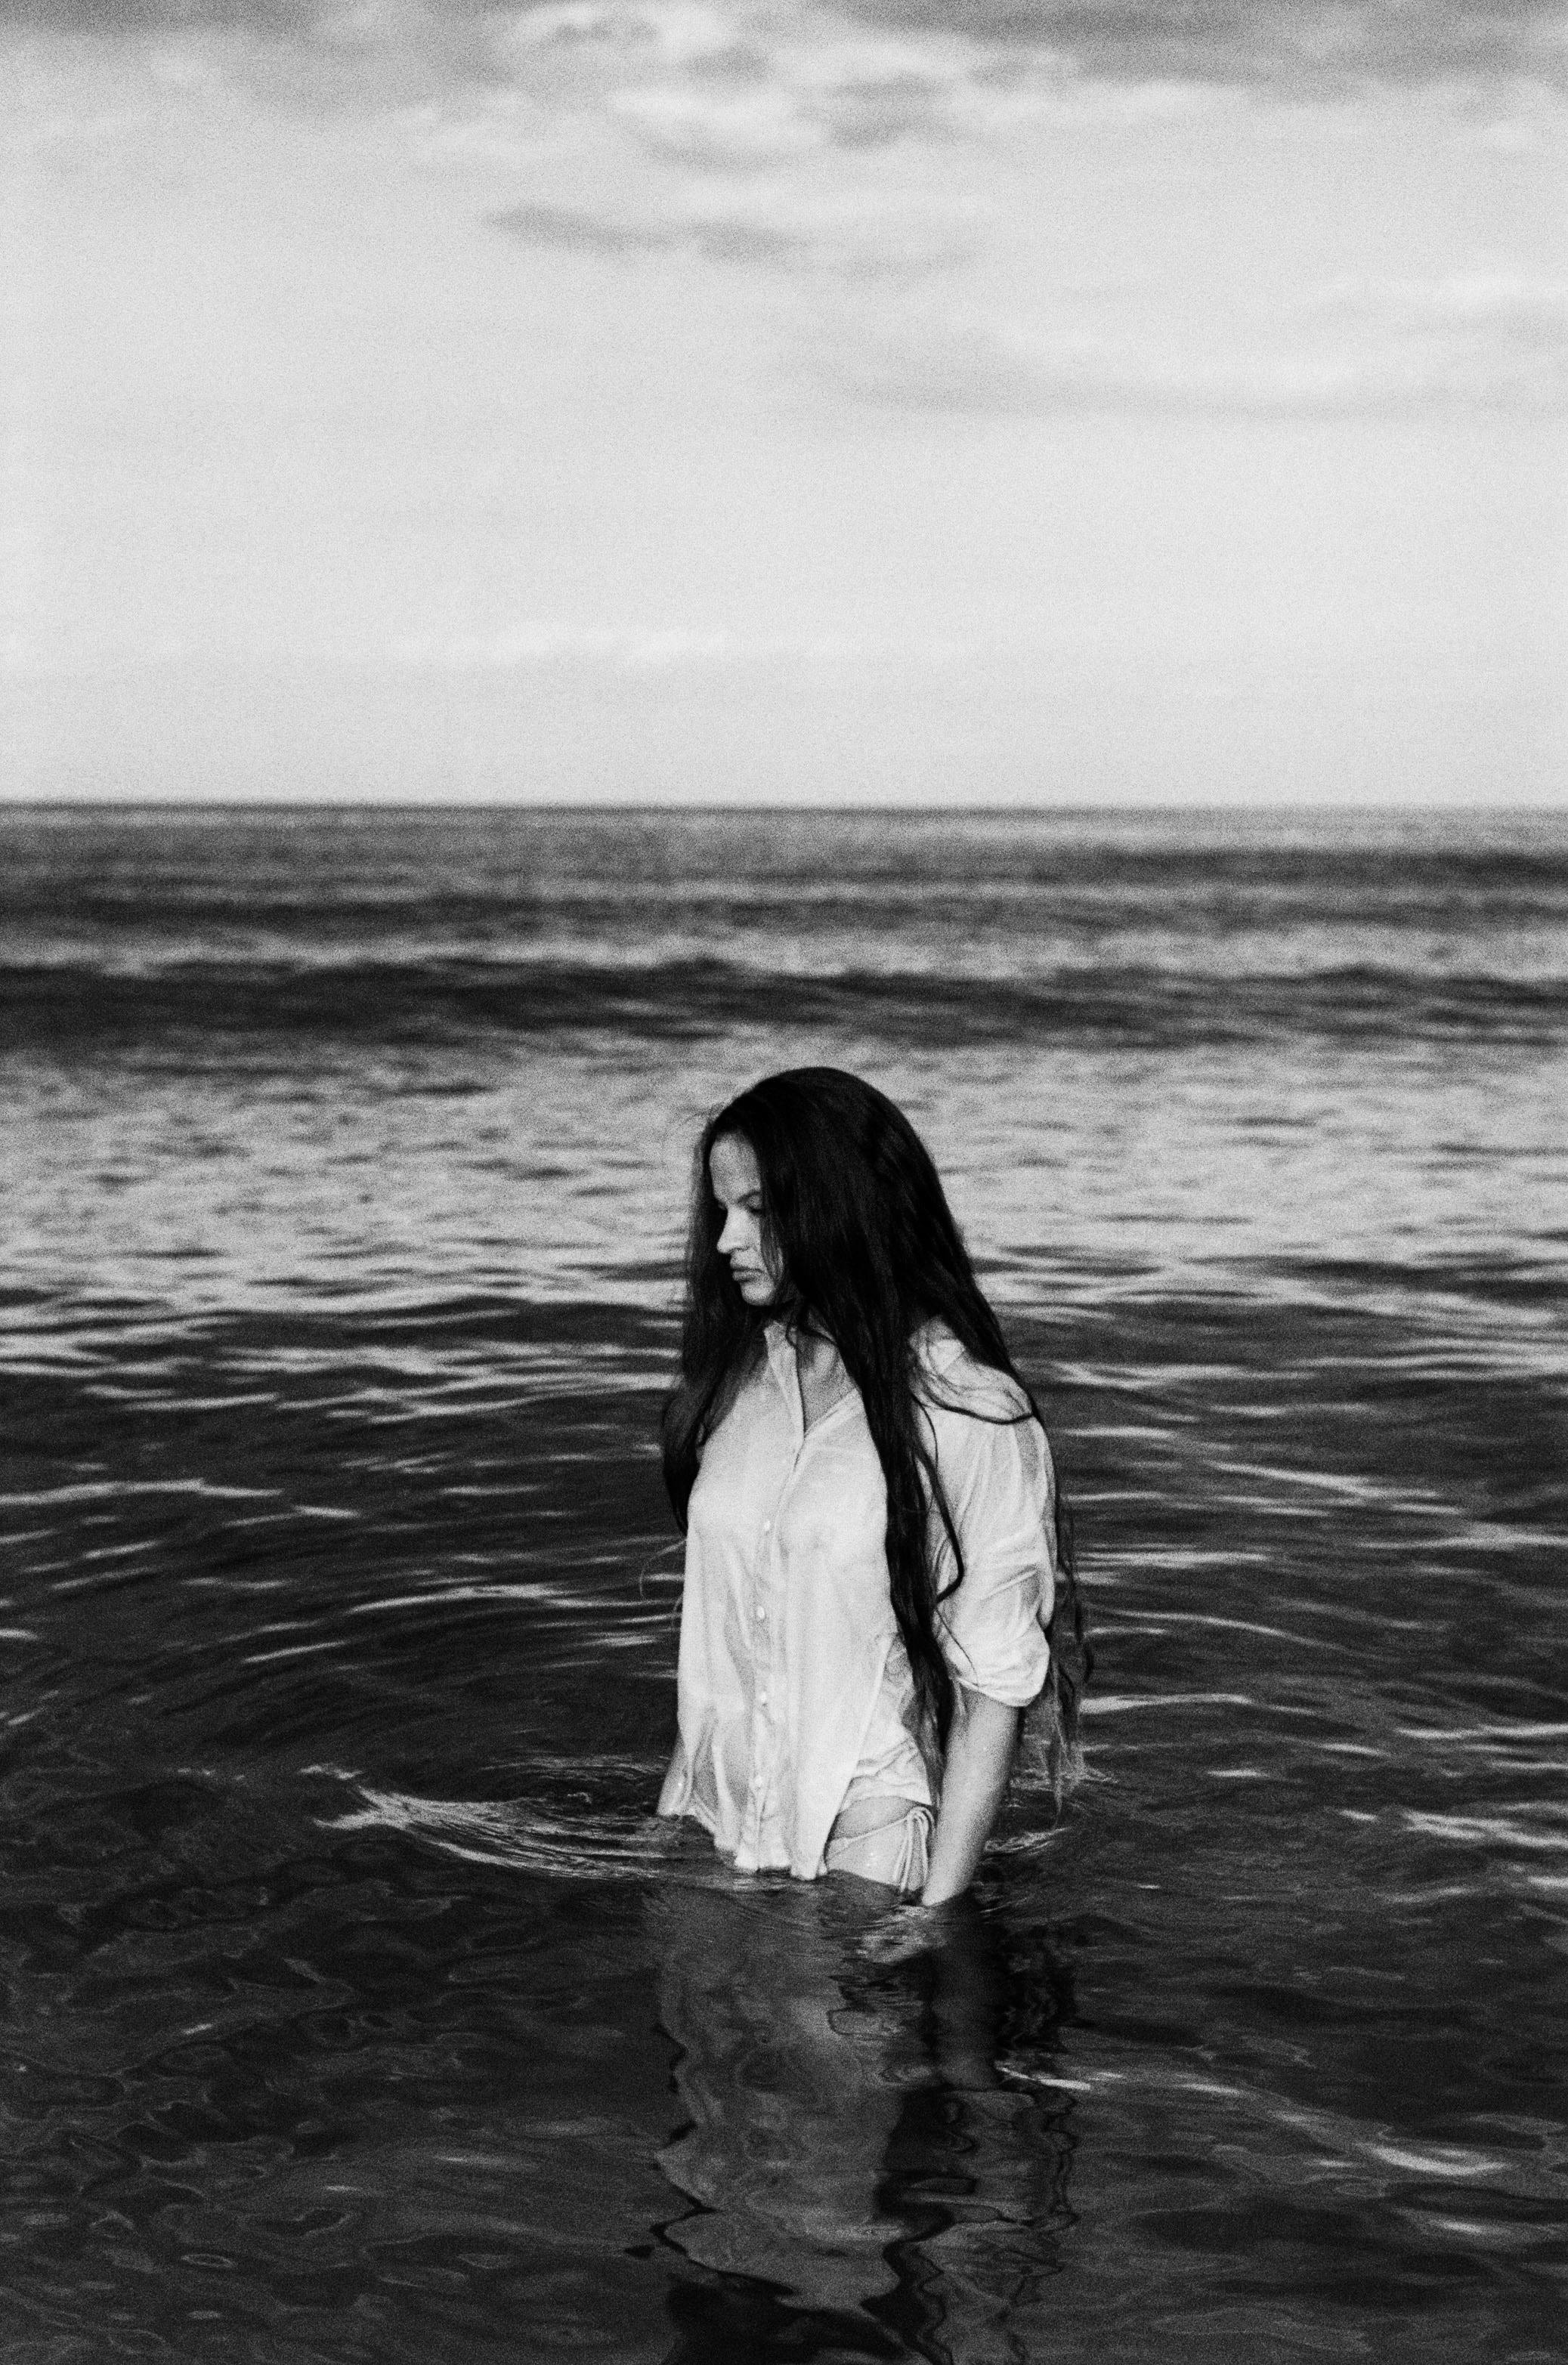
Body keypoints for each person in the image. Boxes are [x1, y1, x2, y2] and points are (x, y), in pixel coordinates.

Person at [657, 1067, 1087, 1906]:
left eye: (756, 1211)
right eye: (721, 1212)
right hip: (707, 1828)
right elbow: (728, 1640)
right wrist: (667, 1815)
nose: (724, 1242)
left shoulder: (966, 1408)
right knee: (694, 2042)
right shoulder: (741, 1384)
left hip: (864, 1853)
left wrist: (935, 1914)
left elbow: (991, 1689)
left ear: (834, 1208)